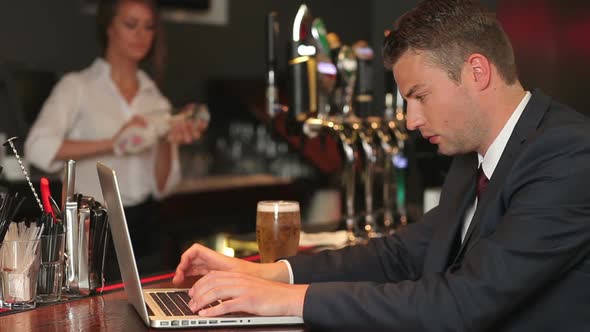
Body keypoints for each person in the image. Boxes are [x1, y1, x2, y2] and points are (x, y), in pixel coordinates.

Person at [173, 0, 590, 330]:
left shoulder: (569, 154)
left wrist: (288, 300)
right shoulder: (473, 157)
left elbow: (462, 304)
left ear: (476, 71)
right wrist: (271, 274)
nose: (410, 120)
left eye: (420, 95)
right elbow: (399, 255)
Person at [25, 0, 206, 278]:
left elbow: (162, 187)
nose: (141, 35)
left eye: (149, 27)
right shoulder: (77, 88)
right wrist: (114, 143)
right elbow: (37, 149)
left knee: (146, 310)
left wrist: (168, 141)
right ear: (109, 27)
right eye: (131, 25)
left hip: (144, 231)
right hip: (90, 229)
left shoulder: (156, 101)